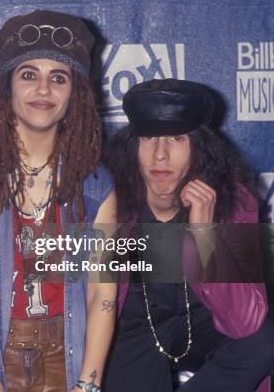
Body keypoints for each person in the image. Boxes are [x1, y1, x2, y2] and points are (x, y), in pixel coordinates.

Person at [0, 10, 117, 392]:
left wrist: (89, 383)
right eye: (29, 74)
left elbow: (102, 291)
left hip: (66, 358)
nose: (43, 90)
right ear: (7, 85)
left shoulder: (96, 184)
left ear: (75, 93)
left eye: (58, 78)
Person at [103, 79, 274, 392]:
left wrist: (204, 234)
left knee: (265, 342)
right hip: (132, 329)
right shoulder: (106, 201)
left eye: (176, 138)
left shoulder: (234, 200)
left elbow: (245, 322)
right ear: (131, 146)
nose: (160, 155)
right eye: (149, 138)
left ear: (199, 147)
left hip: (204, 324)